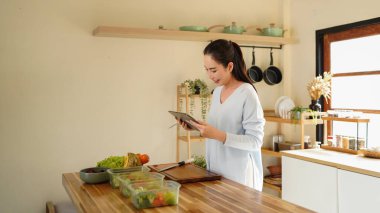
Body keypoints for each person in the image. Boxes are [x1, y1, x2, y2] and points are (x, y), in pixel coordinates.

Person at [180, 39, 265, 191]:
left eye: (213, 70)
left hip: (239, 176)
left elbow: (255, 141)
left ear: (230, 66)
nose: (209, 75)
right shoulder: (217, 91)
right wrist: (197, 126)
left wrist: (218, 134)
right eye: (206, 70)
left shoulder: (247, 93)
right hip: (216, 172)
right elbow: (219, 128)